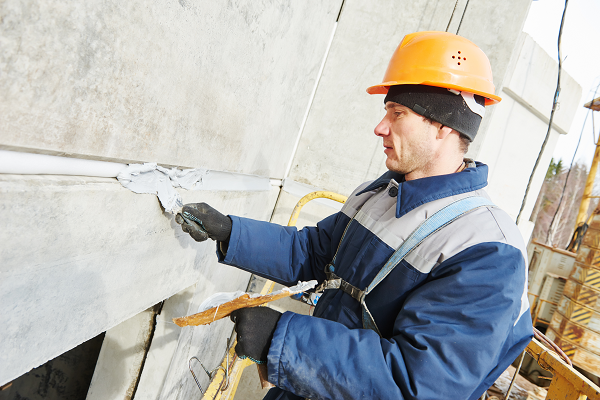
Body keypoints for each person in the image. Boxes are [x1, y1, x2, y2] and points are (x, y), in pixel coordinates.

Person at [176, 31, 533, 400]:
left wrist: (283, 338)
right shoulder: (381, 193)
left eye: (398, 114)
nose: (380, 127)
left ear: (443, 126)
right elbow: (314, 252)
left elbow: (420, 385)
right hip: (308, 387)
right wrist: (231, 232)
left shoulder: (487, 250)